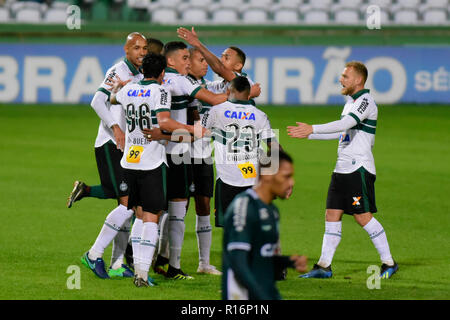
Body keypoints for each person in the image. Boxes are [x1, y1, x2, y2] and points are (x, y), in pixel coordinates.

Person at [287, 61, 398, 279]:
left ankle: (389, 262)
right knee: (332, 214)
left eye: (345, 76)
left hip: (359, 168)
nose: (341, 79)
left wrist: (313, 128)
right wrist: (310, 134)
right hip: (342, 168)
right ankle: (323, 266)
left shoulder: (366, 101)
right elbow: (341, 132)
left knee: (362, 216)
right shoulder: (350, 102)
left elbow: (347, 123)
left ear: (358, 79)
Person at [109, 52, 202, 287]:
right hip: (151, 161)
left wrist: (117, 88)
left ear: (142, 71)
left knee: (139, 214)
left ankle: (139, 269)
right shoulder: (160, 91)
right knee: (152, 217)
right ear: (162, 73)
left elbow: (112, 100)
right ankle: (141, 274)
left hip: (130, 160)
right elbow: (164, 122)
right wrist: (193, 130)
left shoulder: (128, 89)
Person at [152, 41, 229, 280]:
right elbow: (215, 101)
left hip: (172, 150)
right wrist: (246, 95)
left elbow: (192, 110)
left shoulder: (166, 83)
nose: (189, 61)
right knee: (174, 210)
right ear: (172, 61)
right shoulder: (181, 81)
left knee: (160, 210)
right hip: (179, 152)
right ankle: (169, 263)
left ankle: (152, 261)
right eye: (186, 58)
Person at [77, 32, 148, 279]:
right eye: (137, 48)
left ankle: (117, 263)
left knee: (127, 205)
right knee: (127, 204)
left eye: (145, 48)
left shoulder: (139, 75)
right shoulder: (117, 71)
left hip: (128, 147)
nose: (141, 52)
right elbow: (97, 101)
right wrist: (115, 128)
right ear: (126, 49)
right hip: (110, 143)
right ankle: (93, 255)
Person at [222, 149, 308, 300]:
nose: (291, 182)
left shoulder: (272, 211)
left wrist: (288, 262)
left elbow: (261, 258)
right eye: (286, 176)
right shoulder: (244, 207)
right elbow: (239, 263)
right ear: (268, 175)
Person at [201, 76, 280, 228]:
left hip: (226, 179)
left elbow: (197, 133)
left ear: (229, 90)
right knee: (253, 224)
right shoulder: (260, 115)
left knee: (230, 226)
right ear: (249, 93)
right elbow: (276, 148)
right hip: (253, 180)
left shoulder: (216, 111)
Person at [177, 26, 261, 102]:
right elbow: (204, 89)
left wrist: (197, 44)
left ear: (238, 66)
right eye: (221, 56)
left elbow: (220, 69)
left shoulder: (244, 81)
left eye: (226, 58)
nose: (221, 60)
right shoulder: (218, 85)